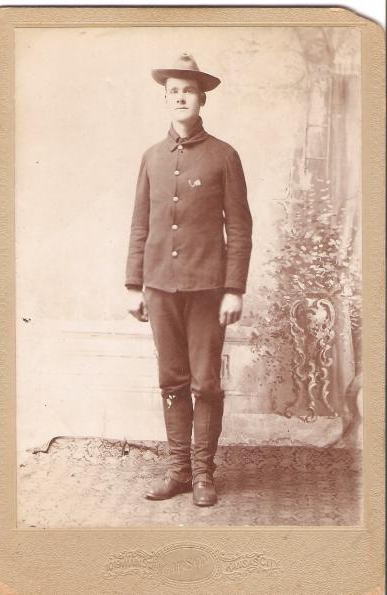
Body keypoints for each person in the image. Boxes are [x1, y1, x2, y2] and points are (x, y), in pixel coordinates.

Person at [125, 52, 252, 506]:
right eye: (173, 92)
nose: (181, 98)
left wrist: (234, 288)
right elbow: (141, 224)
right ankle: (178, 471)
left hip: (207, 289)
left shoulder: (224, 156)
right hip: (159, 286)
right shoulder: (152, 157)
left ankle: (203, 474)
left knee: (206, 383)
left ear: (202, 99)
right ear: (166, 100)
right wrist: (134, 284)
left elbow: (238, 227)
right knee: (171, 380)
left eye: (188, 91)